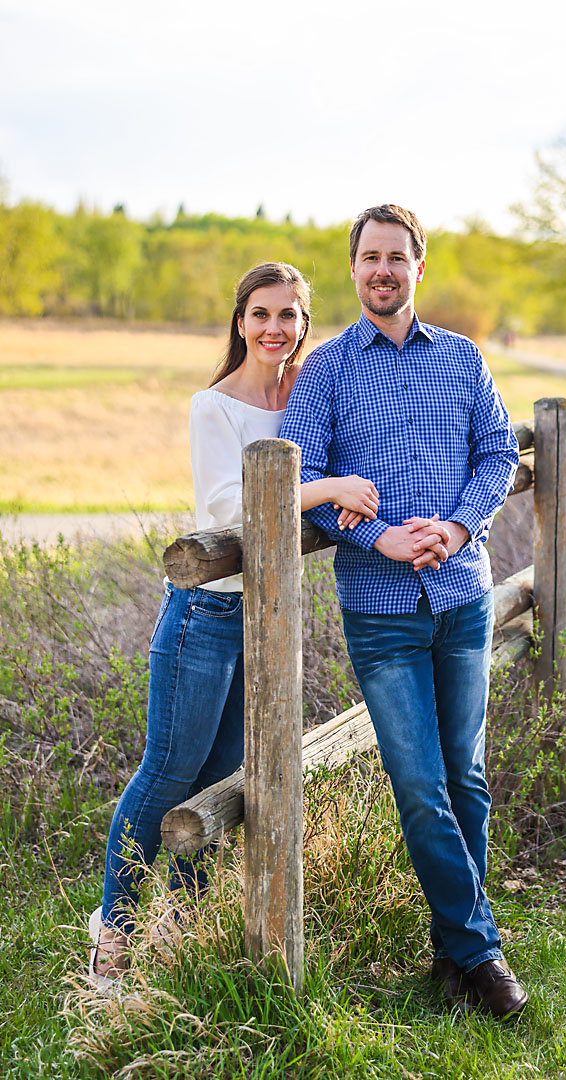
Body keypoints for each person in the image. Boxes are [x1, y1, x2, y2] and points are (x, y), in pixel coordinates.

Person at [89, 262, 379, 991]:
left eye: (290, 315)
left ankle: (182, 930)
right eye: (261, 314)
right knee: (168, 773)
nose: (276, 329)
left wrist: (344, 493)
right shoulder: (213, 405)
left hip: (266, 619)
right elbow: (227, 509)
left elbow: (311, 494)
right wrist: (333, 487)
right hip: (206, 616)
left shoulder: (304, 403)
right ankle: (113, 934)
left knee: (222, 783)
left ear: (305, 324)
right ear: (240, 322)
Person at [280, 206, 527, 1019]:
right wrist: (380, 537)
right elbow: (298, 472)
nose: (382, 271)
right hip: (380, 609)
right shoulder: (325, 371)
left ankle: (452, 951)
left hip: (463, 597)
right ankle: (484, 954)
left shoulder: (462, 359)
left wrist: (457, 526)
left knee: (467, 778)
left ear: (420, 267)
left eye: (397, 258)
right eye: (368, 258)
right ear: (352, 270)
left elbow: (496, 453)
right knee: (418, 783)